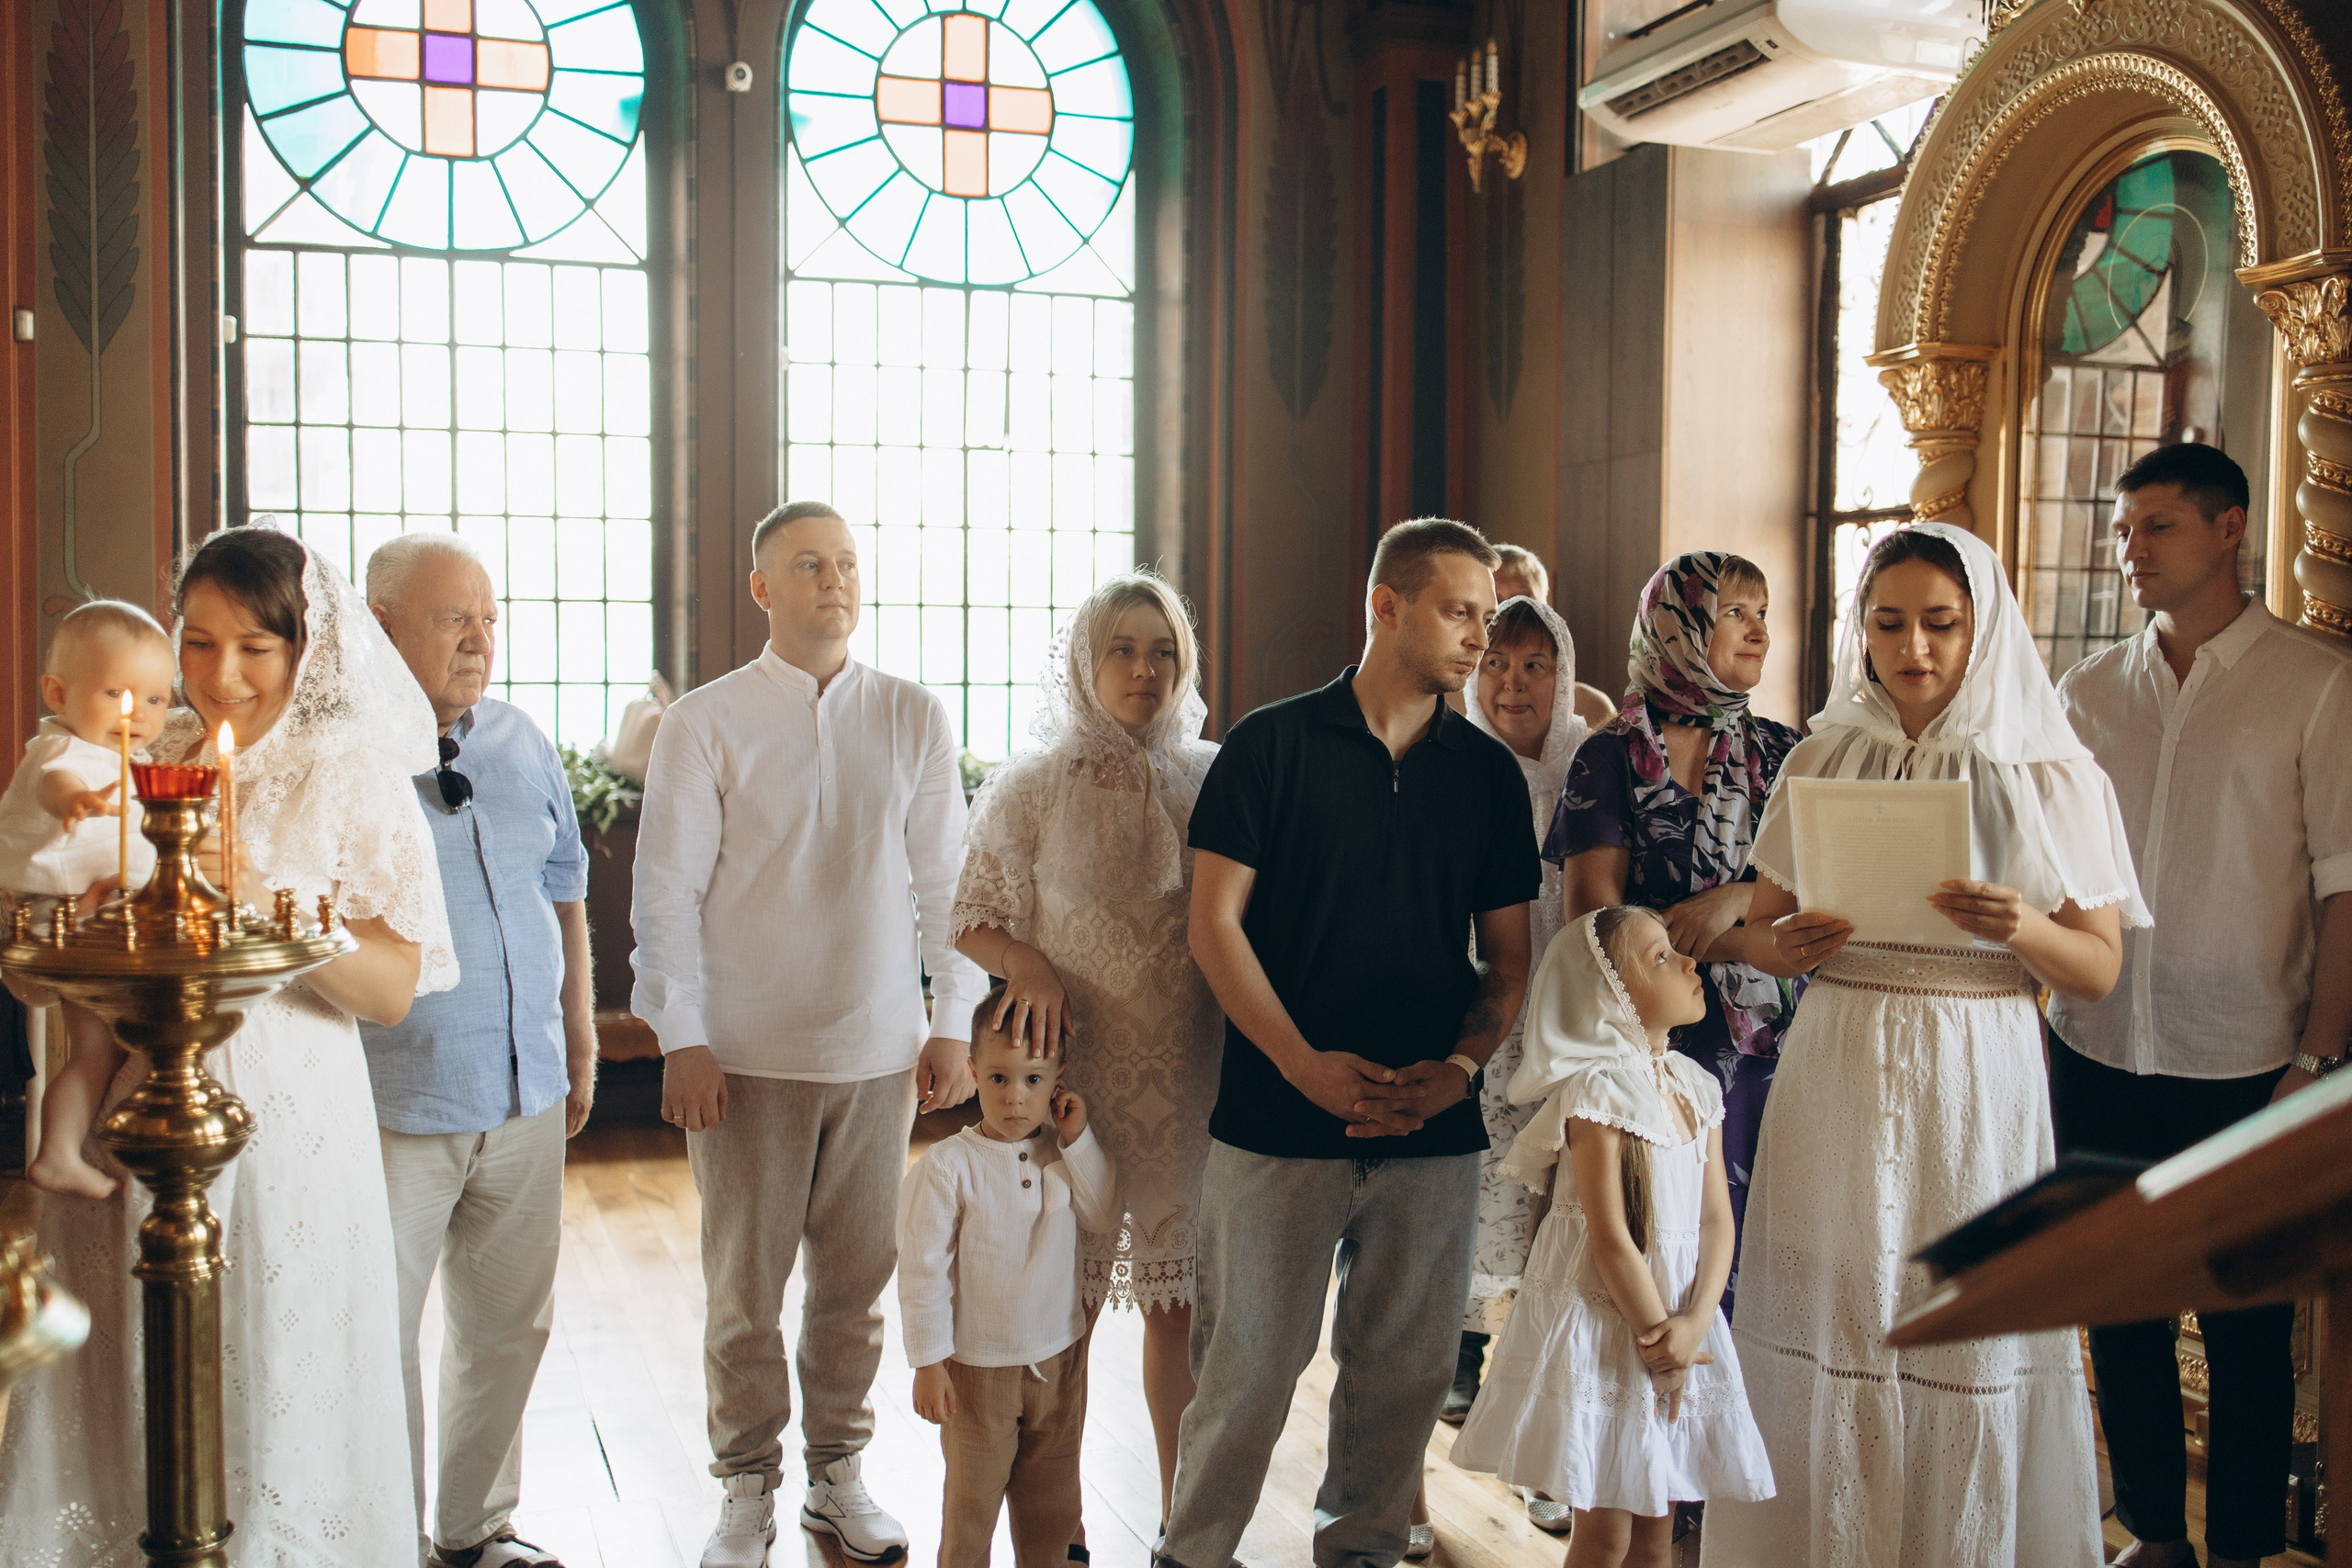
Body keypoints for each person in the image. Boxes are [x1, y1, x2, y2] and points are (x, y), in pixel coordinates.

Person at [0, 522, 458, 1568]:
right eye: (197, 643)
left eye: (256, 647)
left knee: (275, 1347)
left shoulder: (352, 776)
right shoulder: (135, 746)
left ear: (307, 647)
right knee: (134, 1366)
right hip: (130, 1109)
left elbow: (392, 990)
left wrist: (260, 905)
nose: (220, 677)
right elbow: (46, 939)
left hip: (292, 1120)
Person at [1699, 523, 2143, 1566]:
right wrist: (1784, 941)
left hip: (1974, 1065)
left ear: (1981, 628)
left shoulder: (2049, 771)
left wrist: (2020, 927)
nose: (1914, 648)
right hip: (1841, 1052)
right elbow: (1759, 926)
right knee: (1840, 1314)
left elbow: (2098, 967)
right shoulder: (1823, 754)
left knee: (1964, 1327)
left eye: (1940, 624)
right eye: (1888, 623)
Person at [1160, 517, 1538, 1568]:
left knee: (1405, 1376)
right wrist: (1300, 1065)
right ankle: (1192, 1555)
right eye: (1458, 612)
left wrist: (1454, 1074)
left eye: (1488, 615)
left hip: (1431, 1128)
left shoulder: (1486, 777)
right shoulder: (1270, 746)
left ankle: (1364, 1552)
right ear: (1387, 605)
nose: (1478, 638)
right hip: (1277, 1118)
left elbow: (1507, 964)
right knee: (1245, 1372)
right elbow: (1212, 926)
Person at [631, 500, 990, 1568]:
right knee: (744, 1292)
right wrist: (680, 1034)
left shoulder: (913, 715)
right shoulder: (706, 721)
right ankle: (746, 1486)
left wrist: (951, 1023)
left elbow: (948, 885)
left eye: (844, 563)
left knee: (854, 1285)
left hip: (879, 1051)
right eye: (806, 564)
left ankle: (837, 1475)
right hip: (742, 1055)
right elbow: (664, 894)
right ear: (763, 589)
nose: (833, 580)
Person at [2048, 444, 2352, 1568]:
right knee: (2117, 1307)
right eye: (2124, 531)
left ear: (2229, 530)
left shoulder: (2315, 683)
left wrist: (2317, 1058)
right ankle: (2154, 1536)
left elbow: (2344, 886)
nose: (2131, 550)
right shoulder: (2084, 693)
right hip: (2096, 1043)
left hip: (2247, 1059)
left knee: (2246, 1322)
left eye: (2157, 527)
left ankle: (2236, 1551)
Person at [950, 571, 1222, 1525]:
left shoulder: (1216, 775)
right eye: (1122, 649)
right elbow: (971, 917)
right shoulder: (1031, 786)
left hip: (1190, 1069)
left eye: (1162, 651)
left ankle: (1179, 1515)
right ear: (1083, 662)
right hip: (1071, 1068)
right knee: (1052, 1309)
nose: (1143, 669)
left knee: (1173, 1305)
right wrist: (1024, 959)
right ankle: (1050, 1525)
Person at [362, 533, 598, 1568]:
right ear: (379, 628)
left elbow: (565, 887)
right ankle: (381, 1533)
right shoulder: (347, 753)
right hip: (392, 1097)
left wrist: (582, 1033)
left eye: (488, 617)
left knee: (508, 1327)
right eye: (453, 616)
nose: (478, 638)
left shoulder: (517, 738)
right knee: (381, 1337)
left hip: (527, 1081)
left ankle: (472, 1529)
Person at [1452, 908, 1773, 1564]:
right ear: (1608, 995)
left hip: (1682, 1324)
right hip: (1611, 1326)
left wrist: (1695, 1325)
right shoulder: (1595, 1093)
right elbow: (1610, 1239)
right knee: (1605, 1533)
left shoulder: (1699, 1086)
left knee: (1659, 1531)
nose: (1689, 962)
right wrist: (1661, 1337)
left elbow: (1717, 1220)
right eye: (1659, 958)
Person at [1552, 554, 1803, 1320]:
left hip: (1776, 1045)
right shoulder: (1612, 754)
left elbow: (1808, 896)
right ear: (1680, 626)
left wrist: (1730, 901)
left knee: (1768, 1260)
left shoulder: (1785, 752)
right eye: (1735, 612)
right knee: (1669, 1257)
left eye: (1764, 611)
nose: (1759, 629)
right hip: (1656, 1051)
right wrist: (1736, 935)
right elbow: (1595, 922)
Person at [898, 988, 1120, 1568]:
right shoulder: (949, 1167)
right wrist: (928, 1361)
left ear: (1058, 1080)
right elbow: (922, 1271)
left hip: (1059, 1361)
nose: (1015, 1098)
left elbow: (1101, 1214)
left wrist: (1079, 1140)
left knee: (1050, 1511)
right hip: (977, 1374)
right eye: (998, 1079)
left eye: (1033, 1080)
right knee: (970, 1513)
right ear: (973, 1073)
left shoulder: (1063, 1152)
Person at [1447, 598, 1589, 1409]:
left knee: (1552, 1195)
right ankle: (1462, 1344)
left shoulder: (1590, 763)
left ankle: (1541, 1382)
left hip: (1562, 1010)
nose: (1513, 682)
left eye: (1535, 664)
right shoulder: (1454, 757)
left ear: (1563, 675)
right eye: (1497, 663)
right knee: (1473, 1179)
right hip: (1477, 1001)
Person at [3, 600, 173, 1199]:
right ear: (57, 692)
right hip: (65, 916)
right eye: (116, 694)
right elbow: (55, 783)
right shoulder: (60, 750)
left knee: (95, 1049)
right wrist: (74, 801)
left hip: (91, 914)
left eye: (155, 699)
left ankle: (58, 1152)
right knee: (115, 1037)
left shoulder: (125, 757)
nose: (139, 715)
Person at [1487, 544, 1612, 729]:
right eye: (1497, 600)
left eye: (1523, 600)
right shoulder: (1445, 702)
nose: (1509, 612)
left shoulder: (1593, 708)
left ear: (1546, 606)